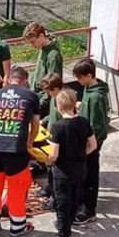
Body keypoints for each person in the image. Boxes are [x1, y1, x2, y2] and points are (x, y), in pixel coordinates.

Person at [0, 66, 39, 237]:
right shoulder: (31, 96)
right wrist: (29, 143)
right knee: (17, 188)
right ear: (25, 81)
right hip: (15, 148)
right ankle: (18, 227)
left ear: (9, 79)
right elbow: (35, 125)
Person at [44, 90, 97, 237]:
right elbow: (93, 145)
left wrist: (45, 160)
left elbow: (54, 155)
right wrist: (80, 155)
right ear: (75, 104)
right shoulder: (84, 122)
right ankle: (68, 225)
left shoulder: (58, 127)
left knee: (62, 204)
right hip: (80, 169)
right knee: (75, 199)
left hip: (63, 172)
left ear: (58, 106)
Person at [73, 58, 110, 224]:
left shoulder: (96, 97)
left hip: (91, 142)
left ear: (89, 75)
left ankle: (89, 210)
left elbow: (97, 125)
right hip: (86, 139)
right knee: (83, 173)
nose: (79, 82)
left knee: (90, 175)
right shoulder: (89, 88)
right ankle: (81, 201)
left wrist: (90, 145)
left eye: (80, 78)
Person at [24, 22, 63, 121]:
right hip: (37, 95)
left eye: (33, 42)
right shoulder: (43, 48)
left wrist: (41, 103)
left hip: (43, 100)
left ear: (41, 36)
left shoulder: (53, 55)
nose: (32, 45)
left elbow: (53, 83)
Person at [39, 72, 65, 210]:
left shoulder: (62, 99)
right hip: (50, 135)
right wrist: (45, 120)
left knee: (55, 170)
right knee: (49, 168)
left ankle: (54, 198)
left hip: (58, 139)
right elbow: (53, 114)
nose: (47, 94)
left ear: (55, 89)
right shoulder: (54, 98)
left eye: (48, 92)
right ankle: (50, 189)